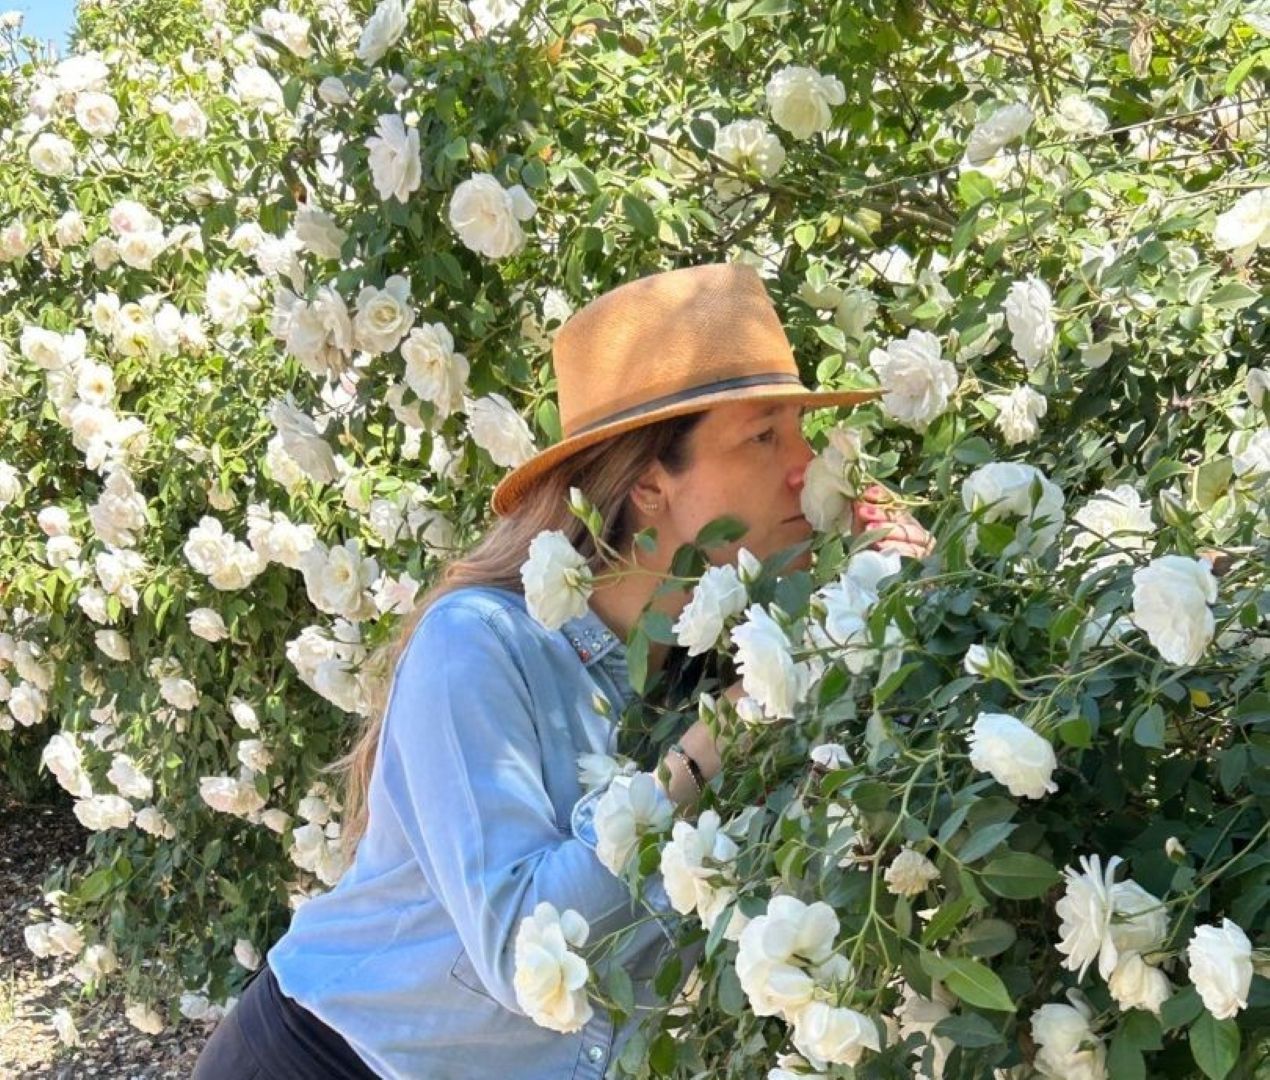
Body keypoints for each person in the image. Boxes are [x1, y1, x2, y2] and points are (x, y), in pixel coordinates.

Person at [192, 262, 932, 1079]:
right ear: (649, 485)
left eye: (800, 430)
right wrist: (724, 733)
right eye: (764, 436)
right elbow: (523, 950)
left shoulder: (727, 651)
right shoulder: (478, 645)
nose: (805, 464)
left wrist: (900, 608)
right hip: (325, 1062)